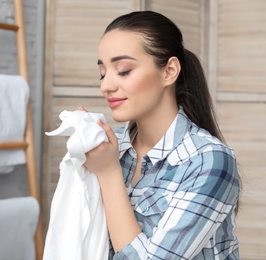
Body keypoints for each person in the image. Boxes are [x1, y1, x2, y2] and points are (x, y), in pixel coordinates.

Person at [82, 11, 240, 259]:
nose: (105, 86)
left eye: (123, 70)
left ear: (169, 71)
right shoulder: (104, 148)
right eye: (103, 72)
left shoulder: (208, 161)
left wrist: (108, 172)